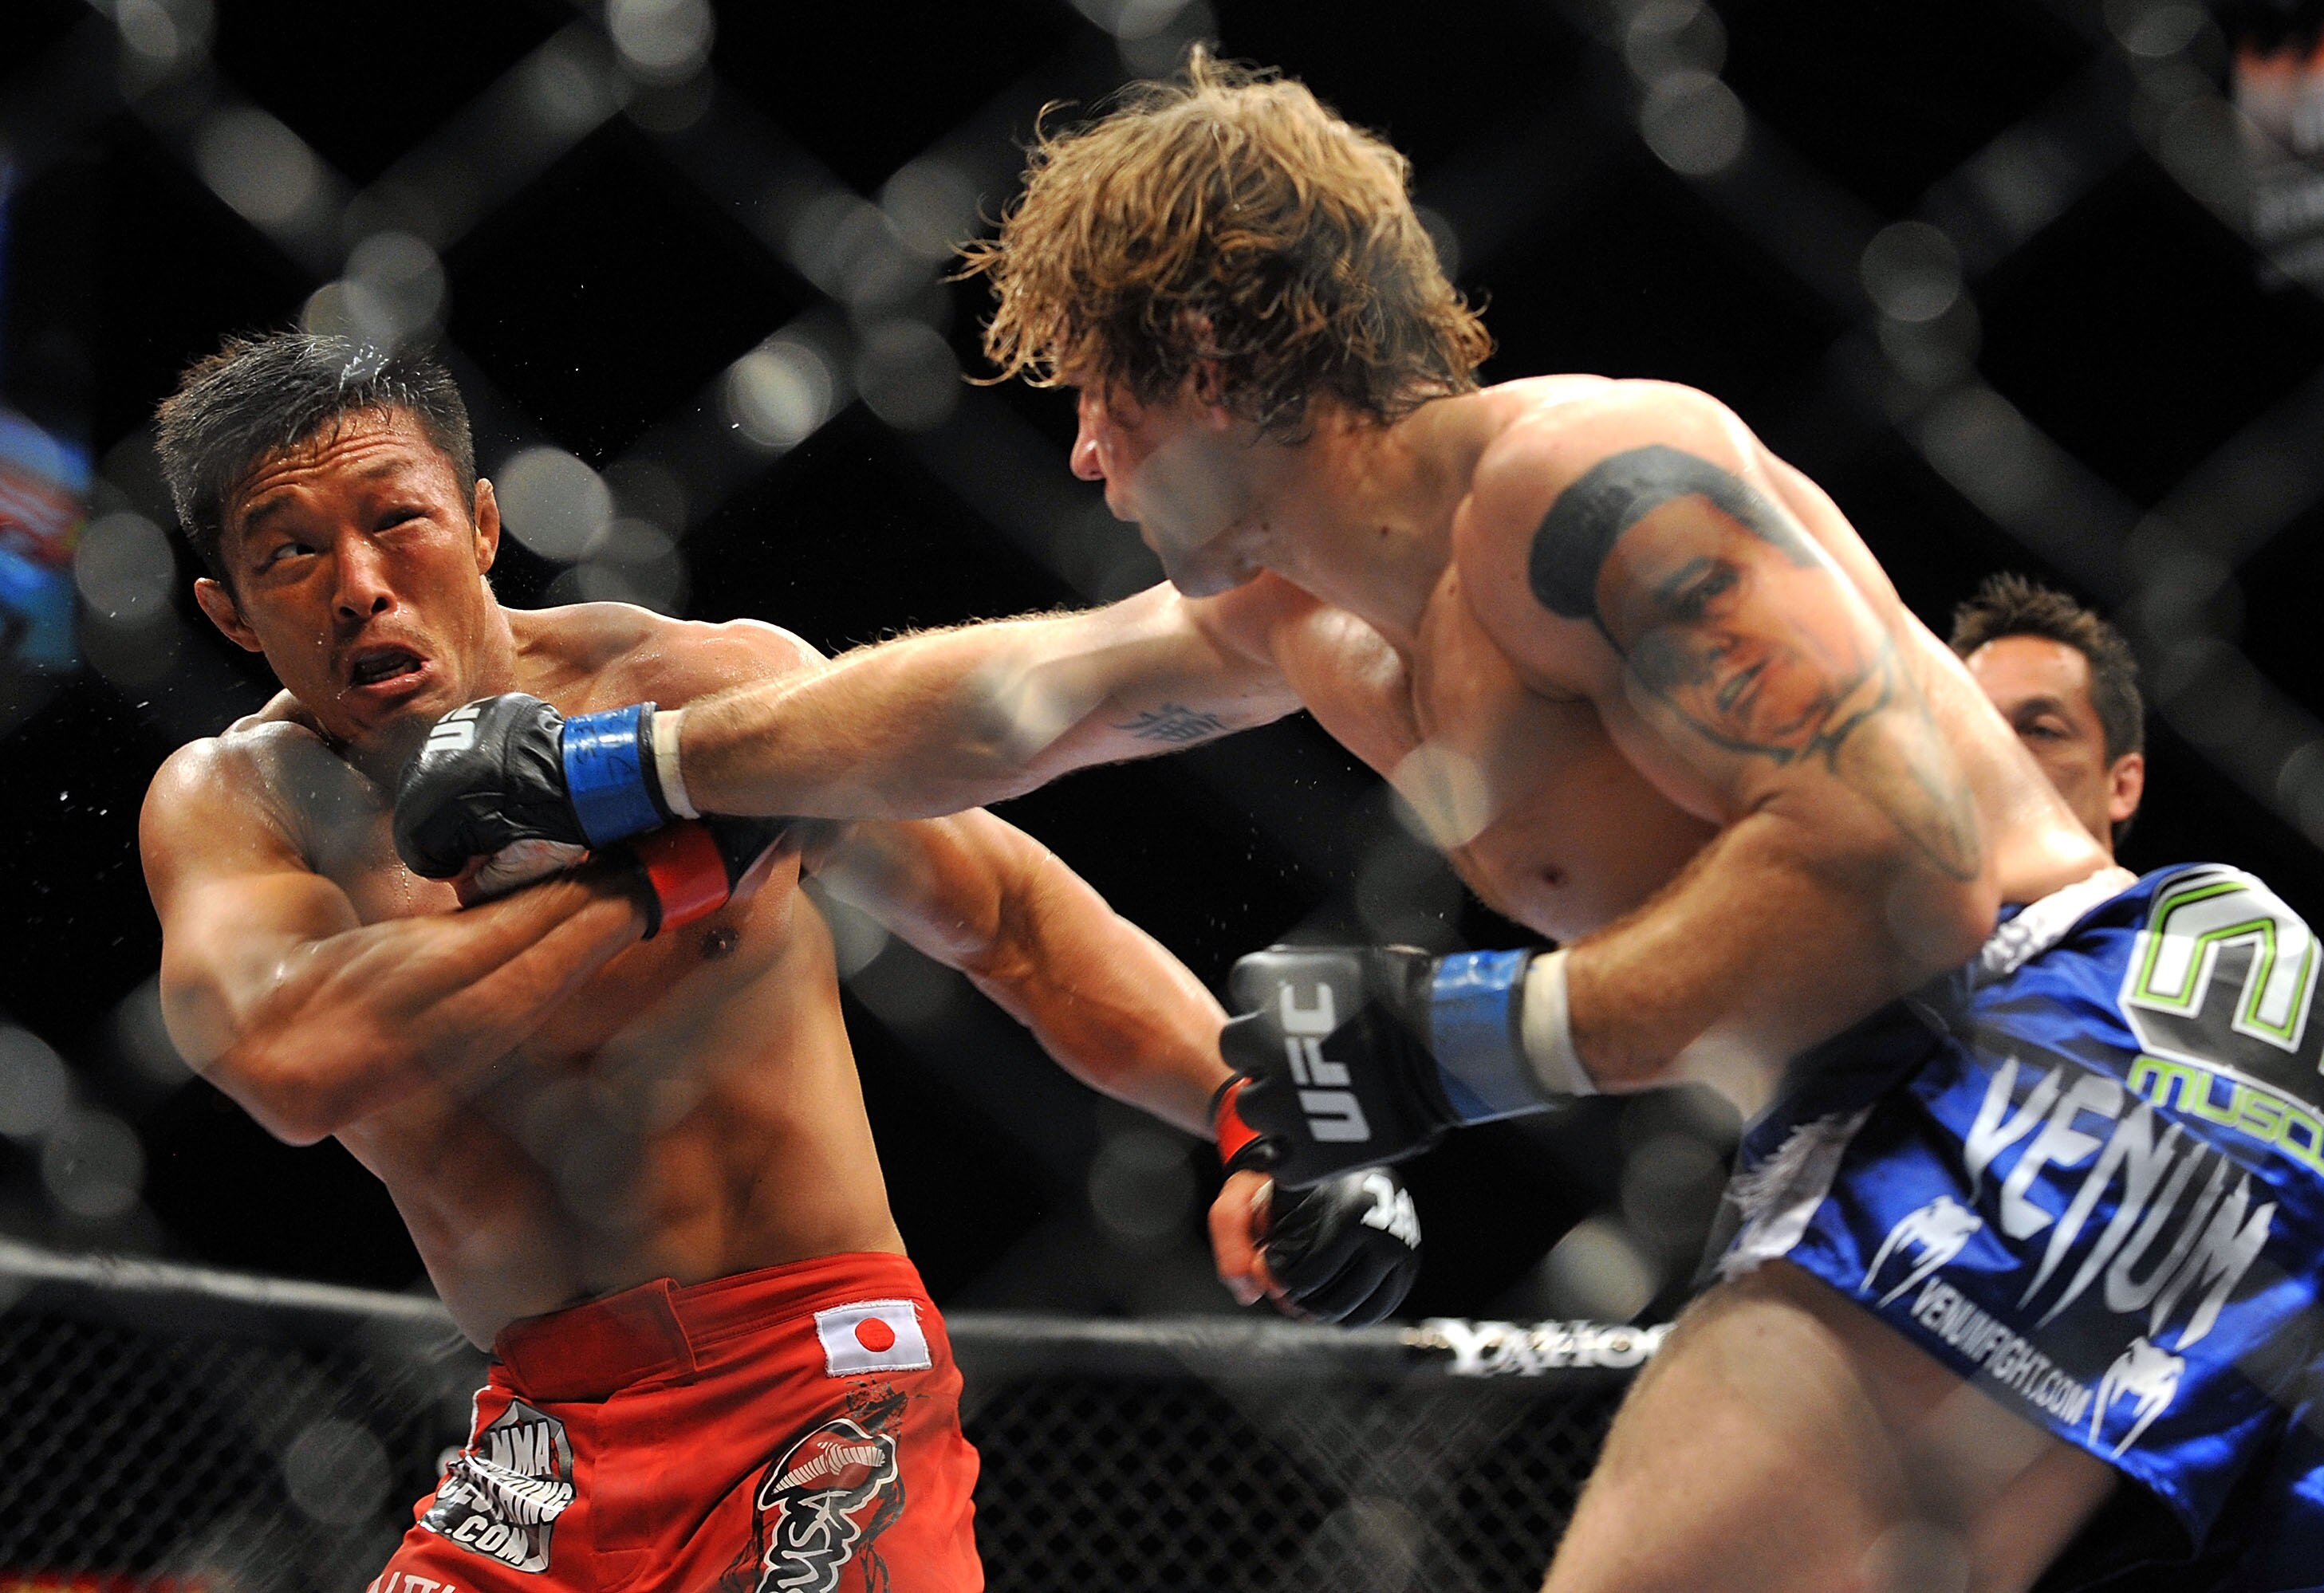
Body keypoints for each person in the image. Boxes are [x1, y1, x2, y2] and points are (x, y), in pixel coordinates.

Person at [392, 53, 2324, 1593]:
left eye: (1097, 397)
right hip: (2139, 1078)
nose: (1080, 458)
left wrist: (1471, 1040)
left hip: (2054, 1043)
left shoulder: (1586, 482)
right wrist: (632, 768)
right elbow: (1006, 701)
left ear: (1199, 360)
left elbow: (1902, 861)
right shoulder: (1317, 620)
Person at [136, 331, 1420, 1591]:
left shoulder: (696, 693)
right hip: (543, 1439)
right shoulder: (239, 805)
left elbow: (1011, 920)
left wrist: (1255, 1114)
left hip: (819, 1385)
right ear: (227, 612)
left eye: (397, 520)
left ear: (480, 523)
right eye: (291, 553)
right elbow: (297, 1059)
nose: (359, 584)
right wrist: (659, 876)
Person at [1949, 572, 2146, 856]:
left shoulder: (2192, 885)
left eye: (2041, 731)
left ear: (2122, 787)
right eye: (1973, 728)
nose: (1993, 752)